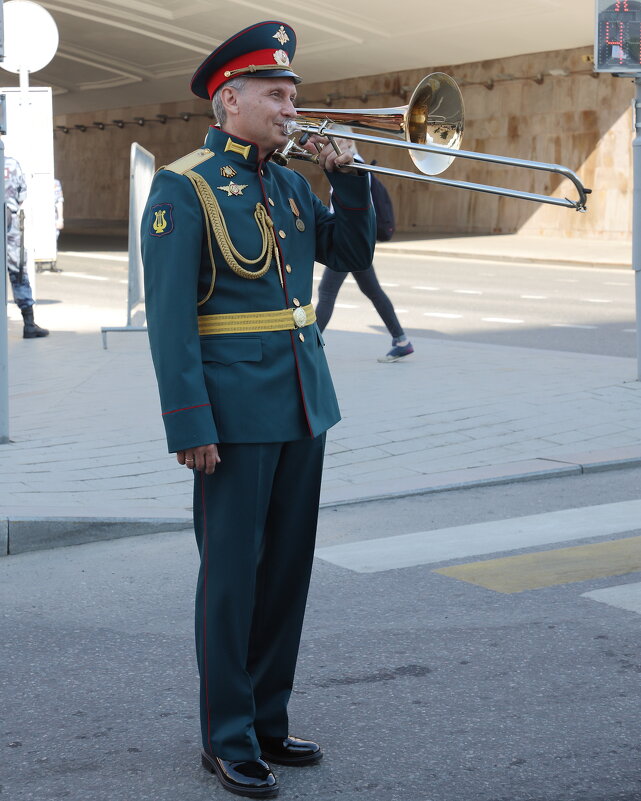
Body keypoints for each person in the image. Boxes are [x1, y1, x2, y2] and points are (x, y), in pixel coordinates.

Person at [141, 20, 375, 799]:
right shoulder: (186, 186)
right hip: (233, 414)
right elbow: (172, 318)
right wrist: (189, 422)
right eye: (276, 95)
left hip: (303, 402)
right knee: (232, 579)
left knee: (285, 577)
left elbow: (347, 257)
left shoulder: (286, 183)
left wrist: (349, 179)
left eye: (291, 95)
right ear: (229, 100)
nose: (289, 108)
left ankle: (268, 718)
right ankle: (228, 737)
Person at [315, 140, 413, 362]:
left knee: (327, 293)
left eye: (334, 138)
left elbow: (348, 207)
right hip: (354, 241)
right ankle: (401, 340)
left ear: (348, 142)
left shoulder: (352, 166)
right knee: (373, 291)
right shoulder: (351, 164)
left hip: (348, 241)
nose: (327, 142)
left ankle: (308, 348)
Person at [4, 155, 49, 338]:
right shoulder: (11, 163)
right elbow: (22, 193)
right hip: (9, 223)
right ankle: (29, 324)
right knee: (18, 270)